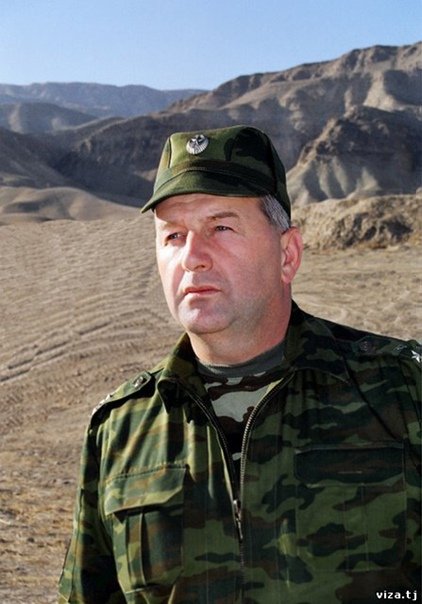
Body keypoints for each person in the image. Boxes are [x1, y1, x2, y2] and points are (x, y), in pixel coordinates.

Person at [58, 125, 421, 604]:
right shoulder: (121, 430)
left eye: (221, 228)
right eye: (173, 236)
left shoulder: (399, 390)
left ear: (287, 254)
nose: (192, 258)